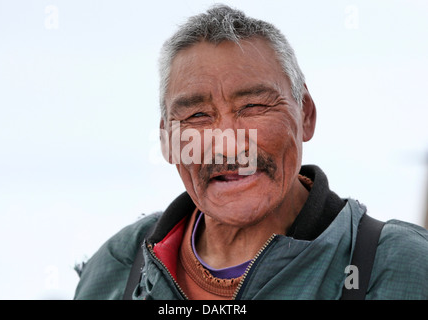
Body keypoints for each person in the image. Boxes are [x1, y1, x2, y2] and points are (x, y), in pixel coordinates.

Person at [74, 4, 428, 300]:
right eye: (197, 115)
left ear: (305, 114)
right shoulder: (118, 266)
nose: (228, 142)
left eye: (254, 106)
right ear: (167, 140)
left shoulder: (403, 268)